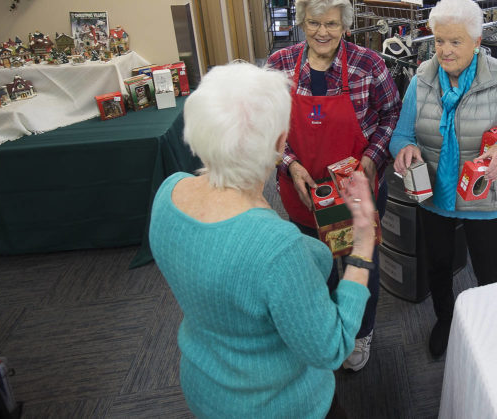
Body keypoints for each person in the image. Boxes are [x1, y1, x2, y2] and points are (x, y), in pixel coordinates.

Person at [149, 62, 378, 418]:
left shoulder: (168, 193)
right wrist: (362, 247)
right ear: (279, 143)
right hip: (280, 405)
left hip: (205, 390)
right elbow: (331, 348)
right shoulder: (279, 248)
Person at [266, 0, 401, 371]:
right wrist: (289, 163)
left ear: (345, 24)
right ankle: (323, 331)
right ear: (301, 23)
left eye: (331, 24)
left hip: (358, 189)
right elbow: (267, 125)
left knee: (361, 266)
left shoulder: (368, 64)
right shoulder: (278, 66)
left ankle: (361, 333)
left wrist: (374, 158)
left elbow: (392, 114)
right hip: (303, 193)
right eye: (313, 23)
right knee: (315, 267)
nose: (322, 32)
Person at [390, 0, 497, 358]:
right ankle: (445, 319)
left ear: (476, 41)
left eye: (455, 42)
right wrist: (404, 150)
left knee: (489, 270)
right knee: (438, 265)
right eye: (439, 41)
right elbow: (402, 134)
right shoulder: (422, 77)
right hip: (433, 193)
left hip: (484, 198)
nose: (445, 50)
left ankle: (494, 328)